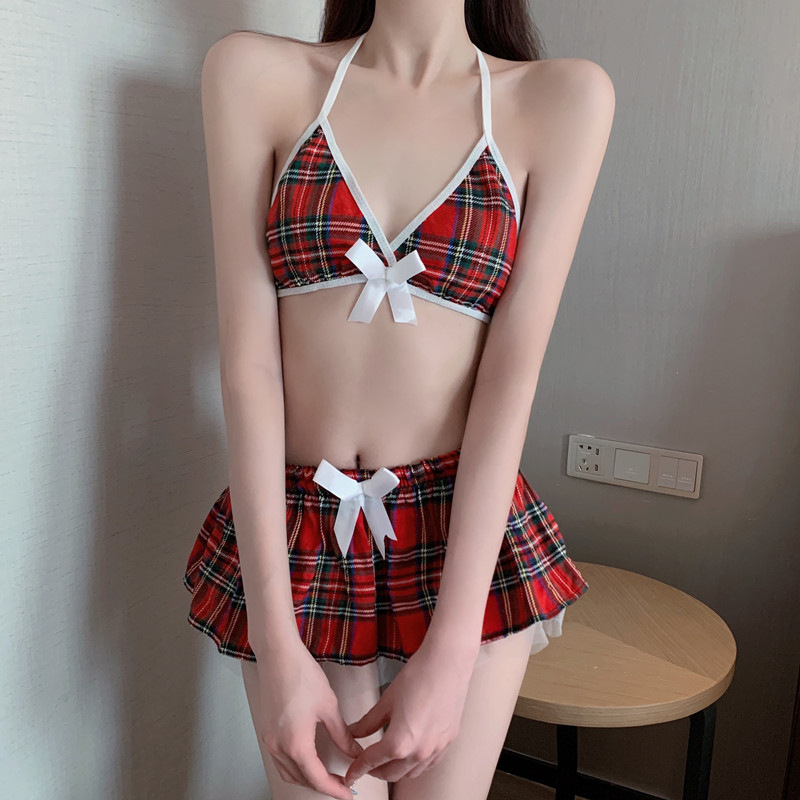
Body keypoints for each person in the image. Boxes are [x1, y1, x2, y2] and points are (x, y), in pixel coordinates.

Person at [183, 2, 614, 798]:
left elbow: (510, 379)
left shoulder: (561, 100)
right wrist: (277, 645)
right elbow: (249, 370)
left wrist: (451, 656)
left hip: (464, 535)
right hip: (304, 535)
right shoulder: (252, 76)